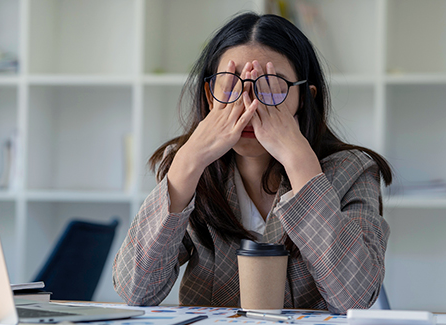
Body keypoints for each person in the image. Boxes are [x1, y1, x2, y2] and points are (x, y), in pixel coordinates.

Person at [112, 12, 392, 314]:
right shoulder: (190, 168)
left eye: (270, 86)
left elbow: (355, 299)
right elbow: (135, 291)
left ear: (305, 99)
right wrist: (187, 163)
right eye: (231, 85)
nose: (249, 104)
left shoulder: (353, 170)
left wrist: (301, 165)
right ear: (209, 96)